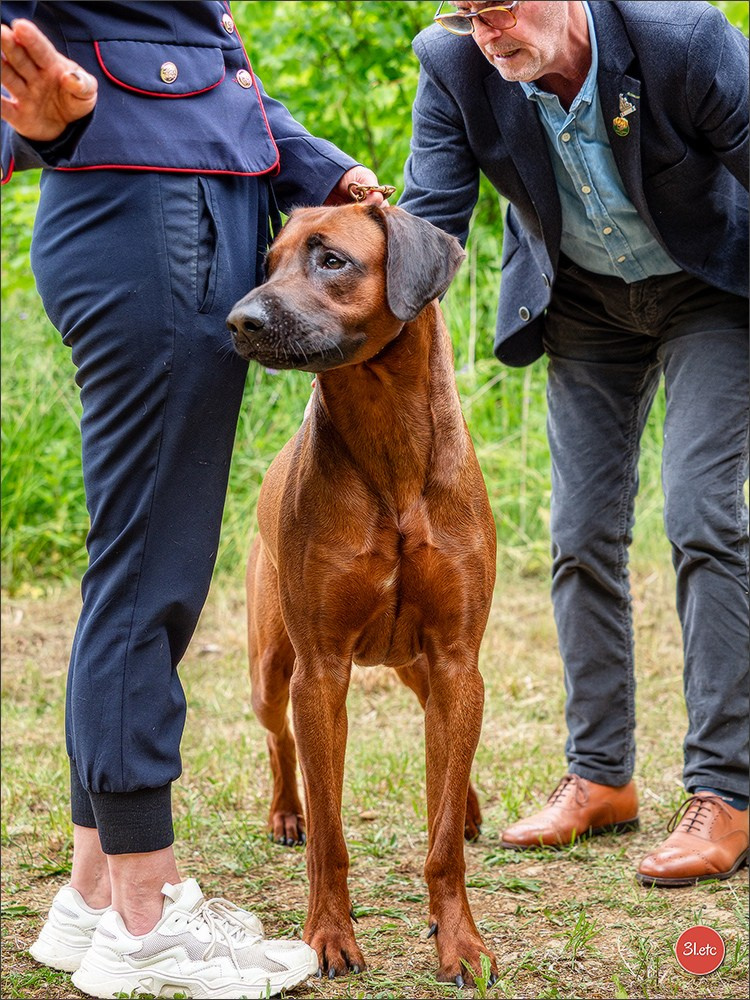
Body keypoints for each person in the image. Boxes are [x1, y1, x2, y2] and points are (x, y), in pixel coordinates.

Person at [1, 4, 387, 998]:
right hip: (140, 213)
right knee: (150, 576)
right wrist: (36, 126)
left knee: (138, 561)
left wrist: (317, 166)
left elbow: (215, 74)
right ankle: (145, 909)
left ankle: (93, 892)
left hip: (186, 205)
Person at [400, 0, 749, 886]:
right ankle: (601, 778)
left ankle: (728, 792)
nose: (487, 34)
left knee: (702, 514)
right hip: (585, 305)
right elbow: (429, 229)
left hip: (709, 287)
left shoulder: (683, 40)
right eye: (467, 15)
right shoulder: (453, 66)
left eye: (501, 10)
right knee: (580, 534)